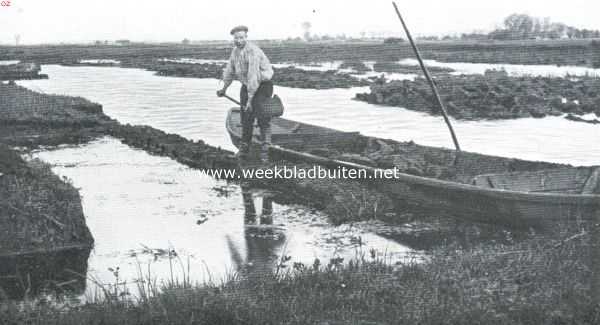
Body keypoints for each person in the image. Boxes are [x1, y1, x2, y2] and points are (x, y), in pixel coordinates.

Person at [217, 25, 274, 162]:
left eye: (241, 37)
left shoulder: (253, 51)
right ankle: (243, 151)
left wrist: (249, 101)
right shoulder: (235, 52)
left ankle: (266, 151)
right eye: (236, 38)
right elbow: (230, 71)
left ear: (246, 37)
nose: (239, 40)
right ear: (233, 39)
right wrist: (224, 88)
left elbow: (253, 77)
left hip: (262, 85)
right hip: (247, 84)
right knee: (246, 118)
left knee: (262, 117)